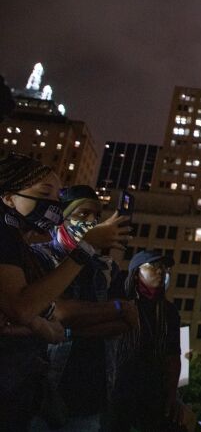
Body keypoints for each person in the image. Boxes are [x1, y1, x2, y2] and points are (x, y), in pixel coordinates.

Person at [0, 154, 126, 428]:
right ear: (9, 198)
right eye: (45, 194)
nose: (53, 206)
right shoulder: (13, 238)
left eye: (57, 198)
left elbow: (31, 311)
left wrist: (41, 323)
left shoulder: (102, 268)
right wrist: (85, 249)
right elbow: (24, 306)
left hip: (46, 392)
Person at [30, 184, 138, 432]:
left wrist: (67, 327)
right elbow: (60, 312)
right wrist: (116, 308)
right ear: (61, 219)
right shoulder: (40, 256)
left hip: (90, 394)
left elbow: (125, 323)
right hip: (43, 390)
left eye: (96, 217)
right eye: (82, 215)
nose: (91, 222)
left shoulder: (106, 267)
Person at [107, 249, 184, 432]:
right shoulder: (122, 302)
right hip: (121, 386)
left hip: (154, 390)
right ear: (136, 273)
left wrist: (172, 394)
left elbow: (173, 355)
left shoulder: (169, 311)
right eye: (153, 267)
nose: (160, 271)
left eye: (163, 268)